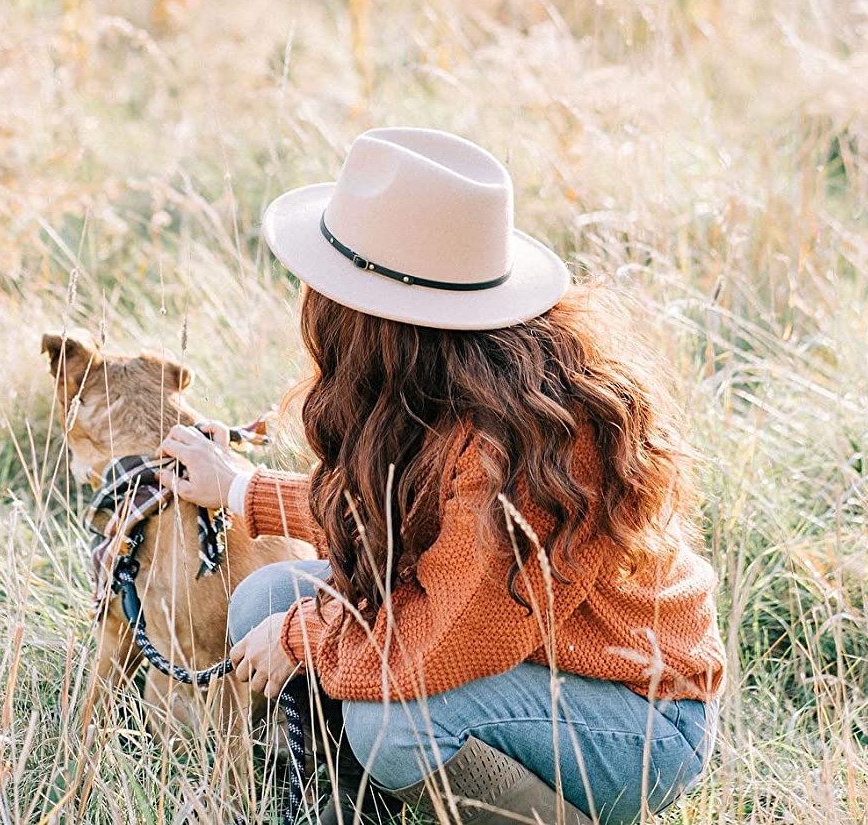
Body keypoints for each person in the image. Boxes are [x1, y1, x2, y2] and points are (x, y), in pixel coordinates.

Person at [157, 128, 725, 824]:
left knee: (393, 724)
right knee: (266, 596)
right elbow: (404, 522)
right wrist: (242, 488)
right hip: (527, 664)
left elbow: (446, 637)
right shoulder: (445, 375)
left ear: (372, 315)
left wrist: (307, 635)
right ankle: (342, 812)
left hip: (631, 715)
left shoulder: (522, 441)